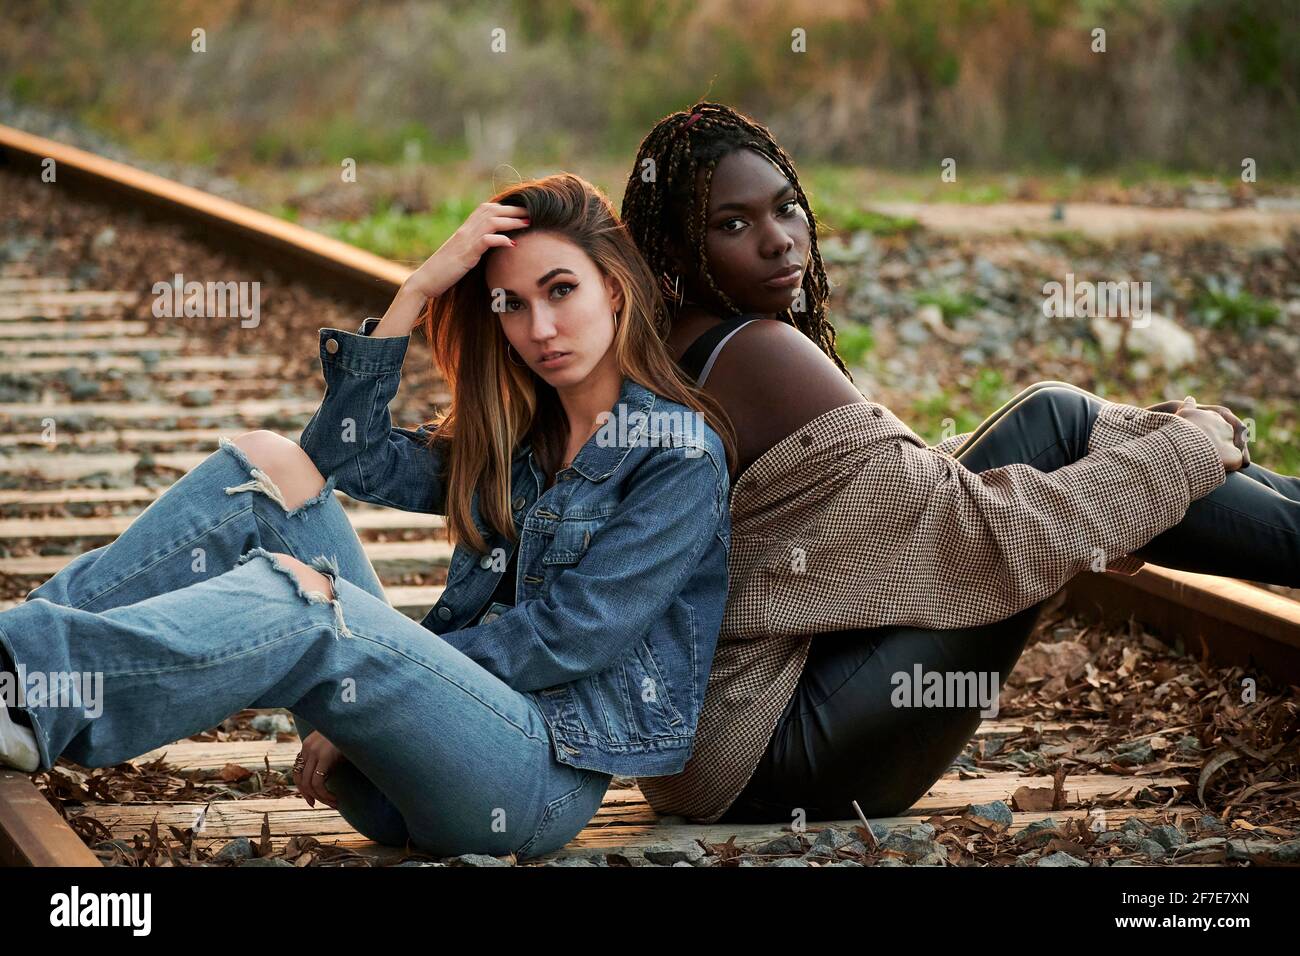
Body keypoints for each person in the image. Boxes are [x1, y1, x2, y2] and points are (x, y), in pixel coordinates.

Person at [0, 173, 734, 860]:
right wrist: (416, 289)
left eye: (561, 291)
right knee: (265, 467)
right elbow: (343, 455)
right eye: (512, 304)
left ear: (613, 289)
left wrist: (387, 666)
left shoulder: (676, 454)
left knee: (311, 600)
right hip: (403, 765)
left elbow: (572, 639)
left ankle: (38, 687)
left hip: (531, 782)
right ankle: (15, 670)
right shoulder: (518, 436)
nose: (539, 327)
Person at [620, 101, 1300, 825]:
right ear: (671, 248)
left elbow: (891, 503)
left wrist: (1154, 448)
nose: (779, 242)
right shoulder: (757, 352)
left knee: (1059, 423)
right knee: (1060, 427)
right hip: (775, 756)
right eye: (733, 224)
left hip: (721, 752)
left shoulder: (677, 346)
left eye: (787, 209)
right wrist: (1181, 453)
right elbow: (970, 525)